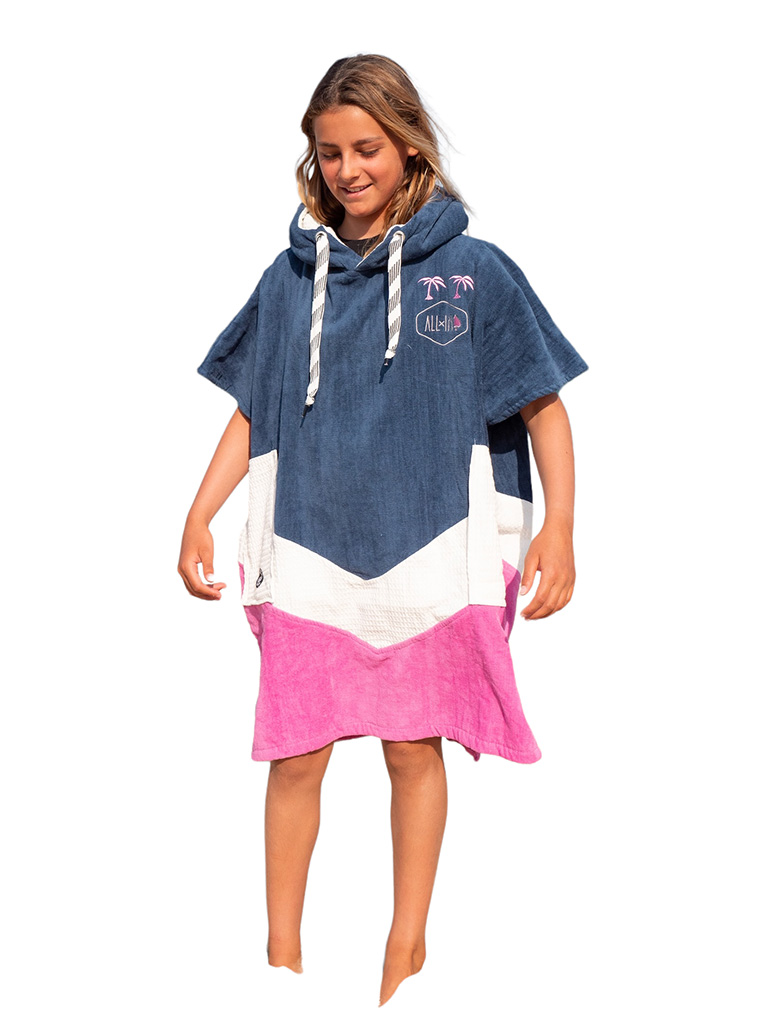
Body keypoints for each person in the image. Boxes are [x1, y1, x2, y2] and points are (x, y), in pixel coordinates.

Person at [178, 53, 588, 1006]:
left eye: (366, 148)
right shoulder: (290, 280)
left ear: (409, 145)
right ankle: (279, 968)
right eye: (330, 153)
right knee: (296, 751)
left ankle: (407, 952)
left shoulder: (474, 272)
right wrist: (199, 509)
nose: (347, 169)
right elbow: (252, 406)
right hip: (309, 540)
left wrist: (561, 529)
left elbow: (544, 406)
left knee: (412, 747)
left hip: (433, 544)